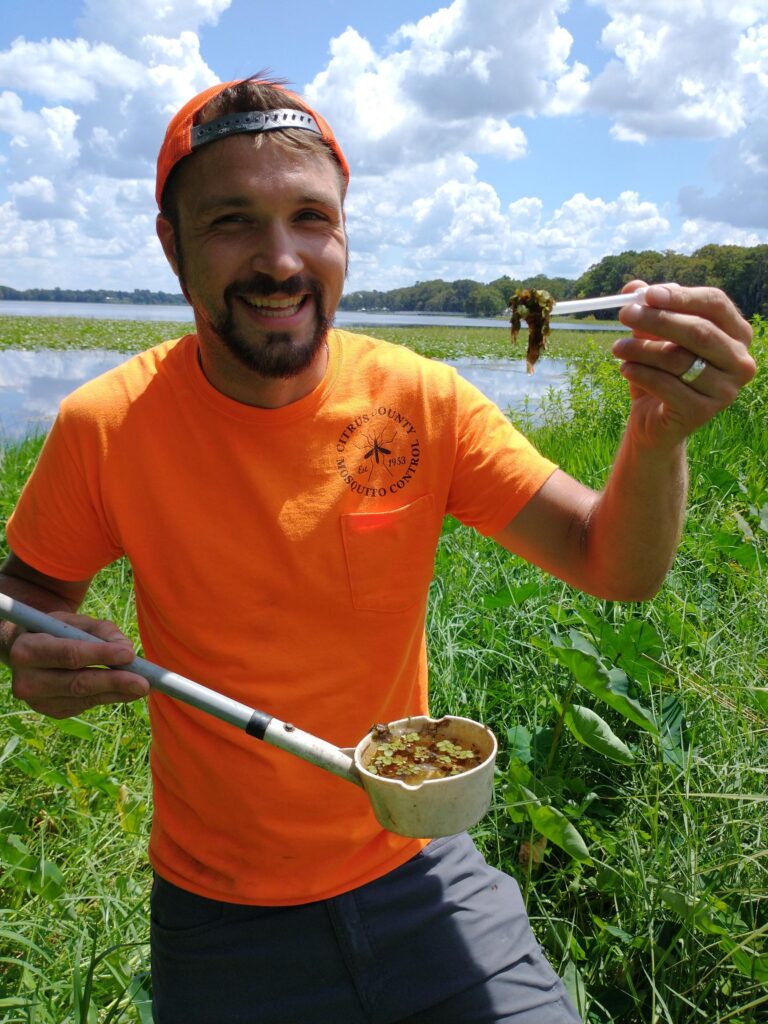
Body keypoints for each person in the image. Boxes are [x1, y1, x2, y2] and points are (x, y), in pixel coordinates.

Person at [0, 75, 755, 1024]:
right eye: (232, 220)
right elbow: (26, 595)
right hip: (218, 911)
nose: (281, 259)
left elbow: (617, 564)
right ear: (171, 244)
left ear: (343, 230)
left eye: (310, 216)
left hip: (424, 864)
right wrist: (36, 659)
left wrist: (656, 433)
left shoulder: (422, 400)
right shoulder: (103, 426)